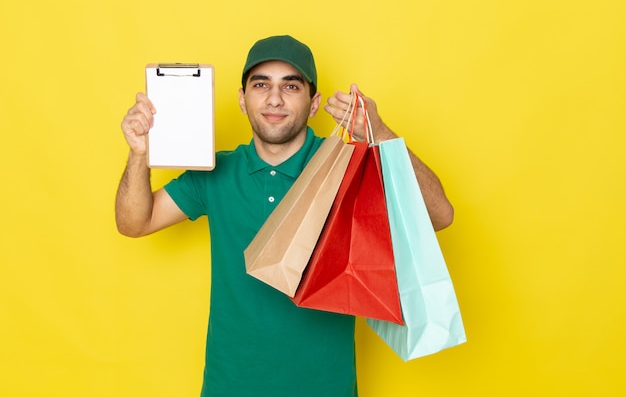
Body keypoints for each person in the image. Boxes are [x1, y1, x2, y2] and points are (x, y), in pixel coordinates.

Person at [116, 35, 453, 397]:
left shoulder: (343, 165)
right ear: (243, 101)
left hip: (326, 388)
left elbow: (439, 215)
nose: (274, 98)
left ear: (313, 104)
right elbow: (135, 222)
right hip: (230, 387)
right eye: (261, 85)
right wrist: (139, 154)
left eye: (290, 86)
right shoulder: (215, 171)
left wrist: (380, 134)